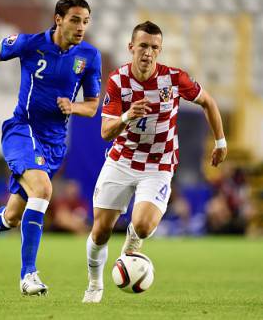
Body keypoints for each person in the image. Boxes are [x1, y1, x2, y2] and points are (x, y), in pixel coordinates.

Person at [0, 0, 101, 296]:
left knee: (12, 217)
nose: (81, 27)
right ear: (58, 19)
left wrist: (72, 107)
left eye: (86, 21)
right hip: (22, 130)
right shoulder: (29, 43)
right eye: (75, 20)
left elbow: (91, 106)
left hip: (53, 144)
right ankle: (28, 275)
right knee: (44, 191)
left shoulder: (89, 57)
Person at [82, 21, 227, 303]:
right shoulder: (117, 80)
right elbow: (104, 131)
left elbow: (208, 101)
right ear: (131, 47)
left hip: (158, 165)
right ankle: (94, 284)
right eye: (144, 46)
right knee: (100, 231)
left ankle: (129, 252)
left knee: (145, 225)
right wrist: (127, 117)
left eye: (155, 48)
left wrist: (220, 141)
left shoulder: (173, 79)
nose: (148, 53)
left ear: (159, 51)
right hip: (122, 160)